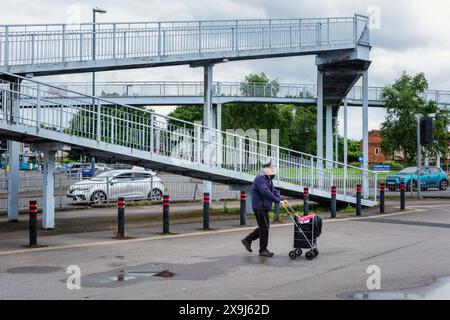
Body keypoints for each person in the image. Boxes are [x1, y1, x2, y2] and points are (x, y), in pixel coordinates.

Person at [241, 162, 288, 257]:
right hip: (259, 206)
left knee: (265, 227)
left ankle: (247, 240)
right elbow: (265, 192)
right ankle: (262, 250)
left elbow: (273, 191)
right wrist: (278, 201)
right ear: (265, 169)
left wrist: (281, 199)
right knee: (264, 227)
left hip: (264, 206)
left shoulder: (268, 178)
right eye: (271, 168)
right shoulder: (260, 178)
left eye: (274, 168)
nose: (273, 170)